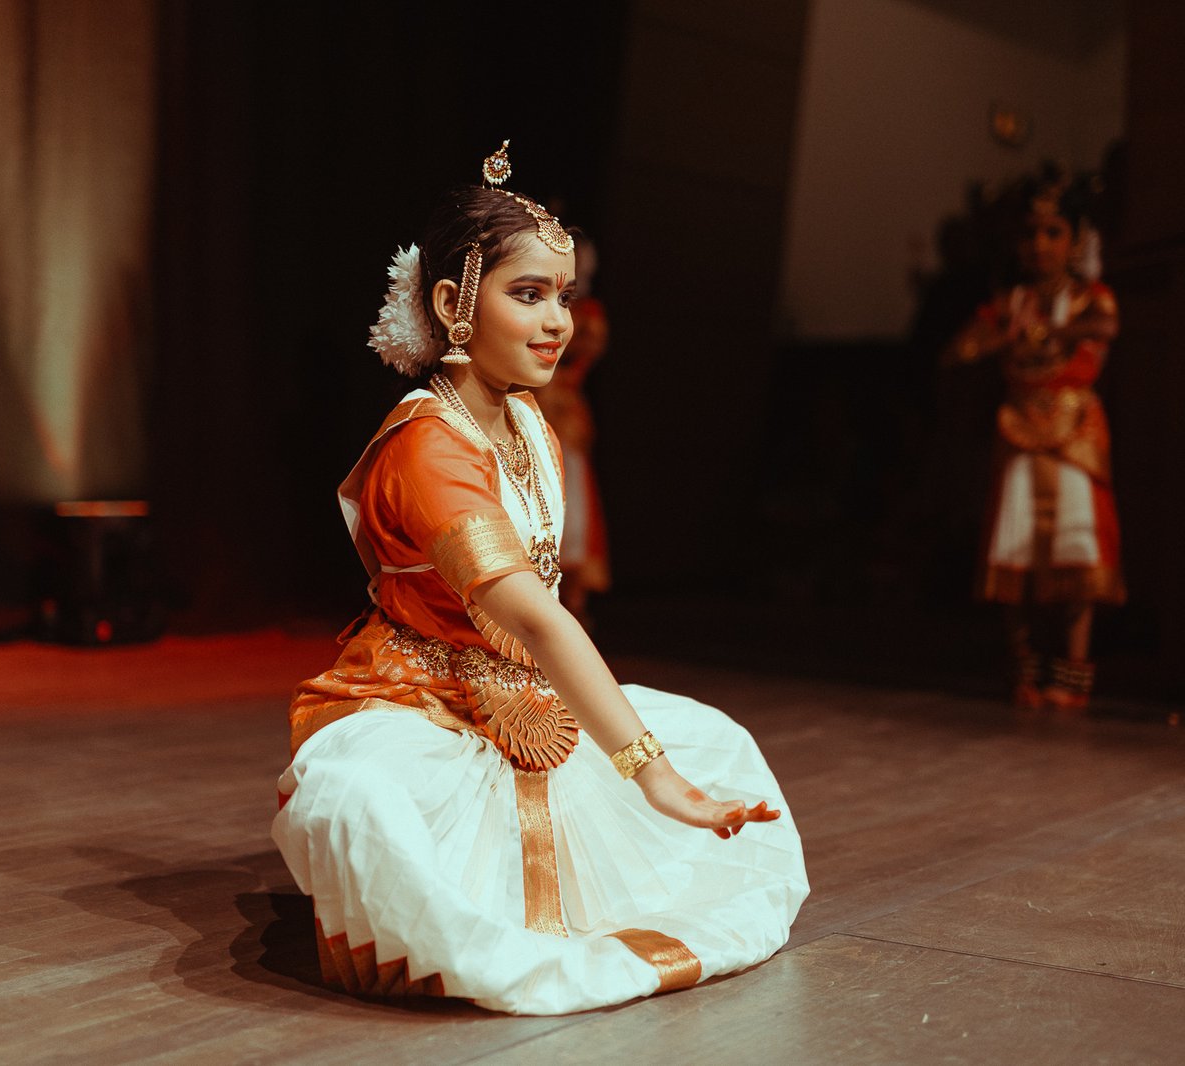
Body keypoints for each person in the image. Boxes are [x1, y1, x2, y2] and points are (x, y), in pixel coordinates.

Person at [270, 141, 807, 1015]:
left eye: (564, 295)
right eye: (528, 295)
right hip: (417, 703)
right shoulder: (428, 446)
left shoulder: (526, 421)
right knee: (364, 807)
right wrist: (650, 773)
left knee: (722, 743)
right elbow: (539, 618)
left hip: (522, 693)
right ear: (451, 303)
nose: (559, 321)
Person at [946, 166, 1126, 711]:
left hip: (1074, 434)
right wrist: (1003, 336)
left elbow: (1107, 327)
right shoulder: (1009, 303)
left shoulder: (1091, 298)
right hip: (1019, 431)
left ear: (1075, 240)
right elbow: (958, 352)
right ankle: (1022, 668)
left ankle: (1073, 675)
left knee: (1077, 544)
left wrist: (1055, 330)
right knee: (1015, 543)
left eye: (1053, 233)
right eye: (1029, 234)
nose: (1040, 245)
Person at [532, 232, 611, 625]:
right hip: (534, 404)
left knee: (571, 495)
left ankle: (572, 602)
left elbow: (585, 348)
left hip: (563, 414)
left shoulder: (586, 314)